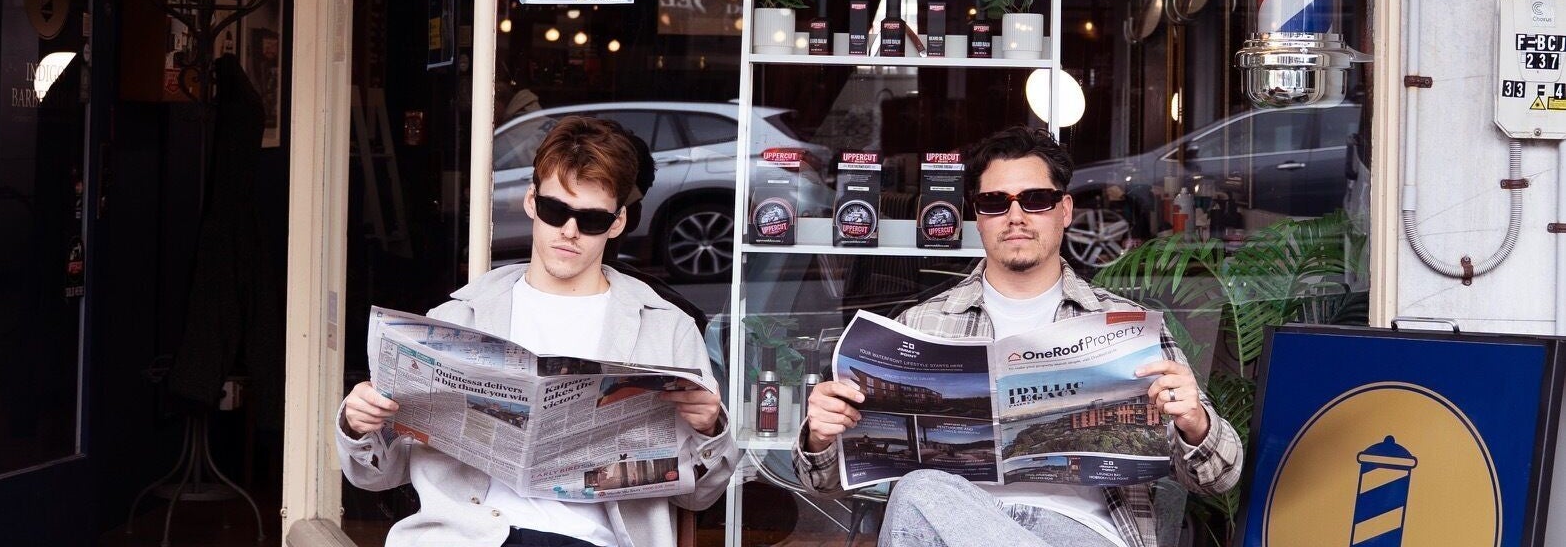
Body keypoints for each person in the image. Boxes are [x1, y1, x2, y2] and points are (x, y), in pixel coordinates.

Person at [793, 125, 1242, 547]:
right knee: (919, 494)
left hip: (1084, 533)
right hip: (952, 525)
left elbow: (1220, 477)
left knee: (916, 494)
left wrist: (1194, 424)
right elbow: (823, 483)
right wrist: (821, 436)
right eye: (995, 203)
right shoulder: (919, 327)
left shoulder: (1126, 324)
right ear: (978, 216)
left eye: (1035, 199)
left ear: (1064, 210)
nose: (1015, 216)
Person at [339, 115, 737, 547]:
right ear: (531, 201)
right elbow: (376, 477)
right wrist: (360, 426)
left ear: (618, 222)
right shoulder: (457, 319)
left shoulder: (667, 329)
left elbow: (700, 497)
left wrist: (711, 427)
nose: (568, 232)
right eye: (555, 211)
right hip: (470, 536)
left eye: (591, 220)